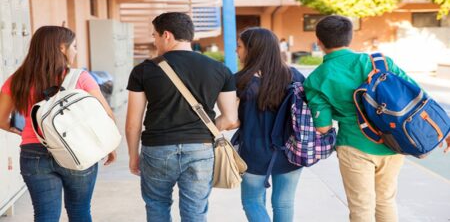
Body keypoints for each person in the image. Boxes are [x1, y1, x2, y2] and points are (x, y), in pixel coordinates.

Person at [303, 15, 450, 222]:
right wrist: (445, 129)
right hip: (394, 142)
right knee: (386, 200)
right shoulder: (379, 62)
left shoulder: (316, 79)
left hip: (354, 145)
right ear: (350, 38)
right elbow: (418, 96)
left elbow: (324, 128)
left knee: (361, 206)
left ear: (319, 41)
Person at [125, 12, 238, 222]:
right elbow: (230, 118)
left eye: (155, 36)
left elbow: (133, 123)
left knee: (157, 205)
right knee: (195, 212)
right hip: (200, 149)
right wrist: (199, 130)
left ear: (166, 35)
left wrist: (133, 156)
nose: (155, 41)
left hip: (157, 149)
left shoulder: (143, 70)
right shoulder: (221, 70)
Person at [0, 26, 117, 222]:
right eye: (74, 46)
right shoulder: (80, 78)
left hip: (33, 153)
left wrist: (22, 132)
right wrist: (108, 144)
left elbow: (1, 119)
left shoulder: (17, 80)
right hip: (78, 149)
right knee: (80, 211)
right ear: (62, 48)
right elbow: (106, 115)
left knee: (45, 216)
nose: (76, 50)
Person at [234, 27, 304, 222]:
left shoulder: (240, 81)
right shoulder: (295, 76)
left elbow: (232, 121)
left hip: (253, 153)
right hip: (291, 151)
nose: (236, 51)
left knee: (252, 201)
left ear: (252, 49)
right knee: (284, 203)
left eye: (239, 47)